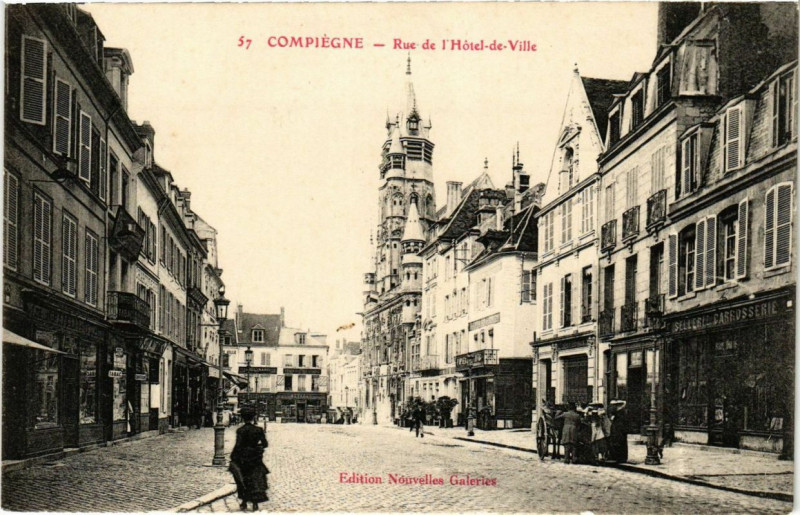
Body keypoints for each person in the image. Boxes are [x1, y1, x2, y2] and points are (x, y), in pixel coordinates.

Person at [229, 407, 269, 511]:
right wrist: (258, 449)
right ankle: (255, 503)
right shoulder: (258, 430)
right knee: (255, 480)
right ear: (253, 417)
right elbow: (265, 444)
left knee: (243, 480)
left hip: (243, 459)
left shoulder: (240, 430)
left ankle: (244, 502)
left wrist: (233, 457)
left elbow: (238, 446)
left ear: (242, 418)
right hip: (255, 458)